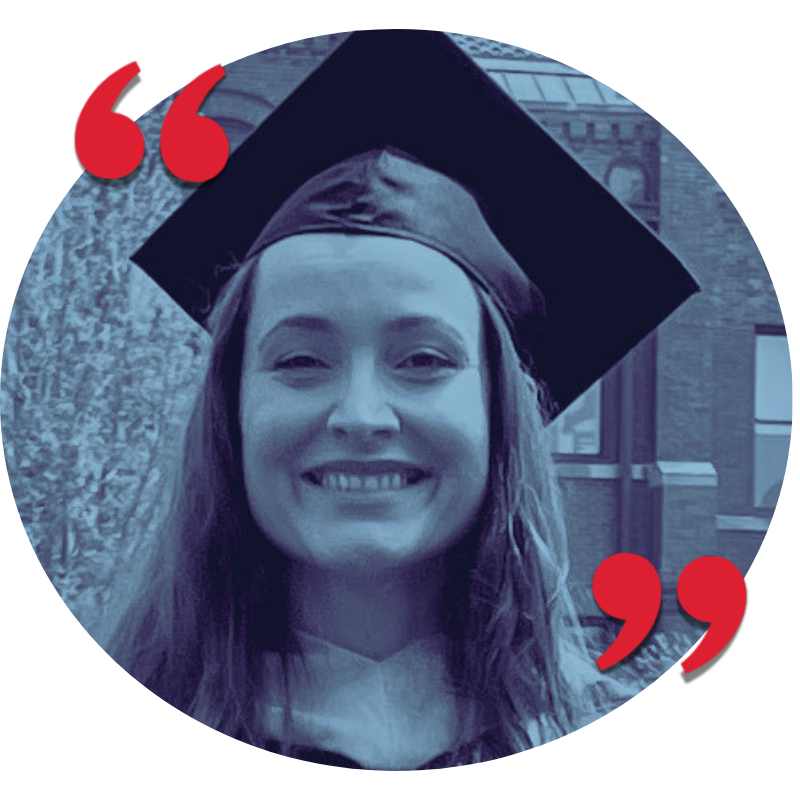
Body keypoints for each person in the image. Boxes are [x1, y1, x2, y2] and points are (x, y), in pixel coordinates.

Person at [104, 30, 698, 771]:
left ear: (497, 414)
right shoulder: (95, 743)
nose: (360, 414)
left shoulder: (637, 763)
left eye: (422, 359)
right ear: (231, 410)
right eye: (298, 359)